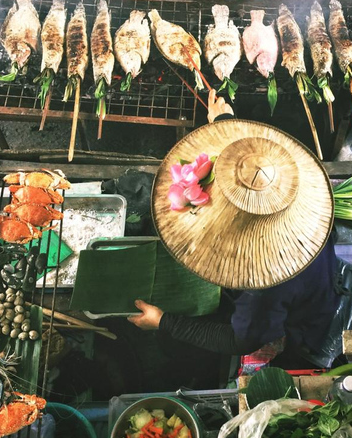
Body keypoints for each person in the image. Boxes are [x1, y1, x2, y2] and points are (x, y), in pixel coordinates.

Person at [128, 91, 341, 373]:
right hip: (312, 267)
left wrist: (164, 322)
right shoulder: (285, 179)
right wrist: (224, 121)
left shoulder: (263, 282)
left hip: (307, 316)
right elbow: (251, 171)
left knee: (182, 350)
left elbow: (238, 341)